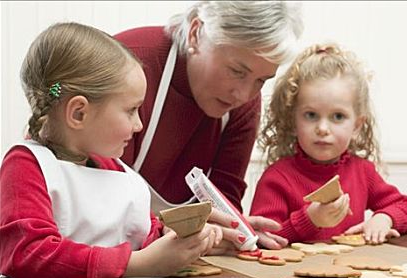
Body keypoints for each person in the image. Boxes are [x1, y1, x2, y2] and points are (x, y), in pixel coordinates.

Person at [0, 22, 225, 278]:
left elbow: (143, 236)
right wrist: (137, 264)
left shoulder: (118, 172)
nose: (139, 124)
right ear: (79, 113)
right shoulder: (27, 166)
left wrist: (177, 238)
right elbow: (28, 255)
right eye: (130, 110)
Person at [115, 1, 303, 249]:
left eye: (261, 80)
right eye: (237, 71)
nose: (244, 94)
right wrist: (167, 228)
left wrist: (233, 228)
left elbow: (225, 196)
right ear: (196, 33)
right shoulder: (129, 63)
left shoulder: (243, 105)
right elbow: (101, 197)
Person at [250, 43, 407, 245]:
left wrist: (384, 218)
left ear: (357, 126)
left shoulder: (363, 172)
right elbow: (263, 239)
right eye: (311, 115)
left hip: (350, 274)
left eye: (337, 116)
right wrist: (310, 220)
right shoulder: (277, 178)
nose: (323, 128)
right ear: (293, 122)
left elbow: (406, 207)